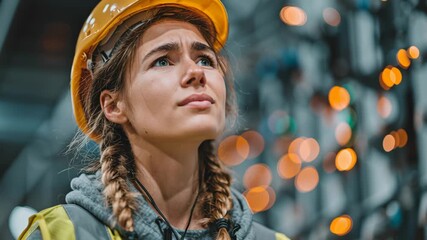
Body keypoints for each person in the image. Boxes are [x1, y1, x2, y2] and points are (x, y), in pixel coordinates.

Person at [19, 0, 290, 239]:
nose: (196, 72)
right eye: (162, 61)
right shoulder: (60, 234)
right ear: (113, 106)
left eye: (205, 59)